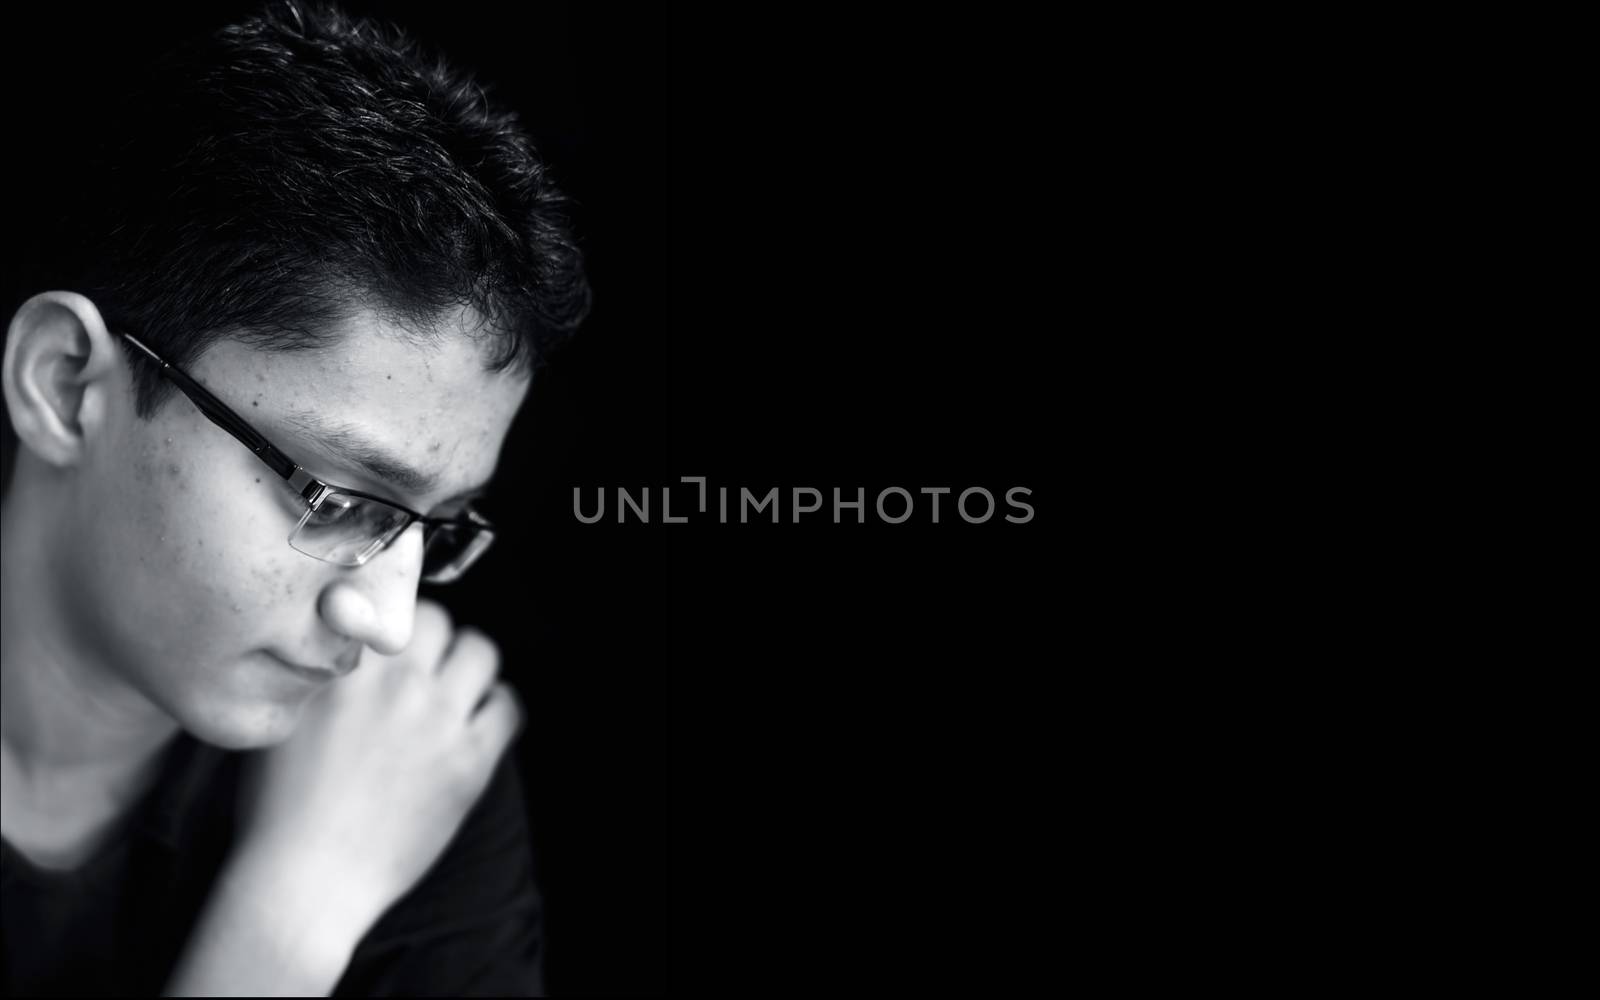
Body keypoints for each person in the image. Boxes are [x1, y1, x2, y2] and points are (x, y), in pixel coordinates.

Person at [0, 0, 590, 994]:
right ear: (65, 387)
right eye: (337, 496)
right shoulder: (354, 832)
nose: (390, 623)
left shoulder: (403, 755)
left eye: (433, 527)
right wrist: (290, 918)